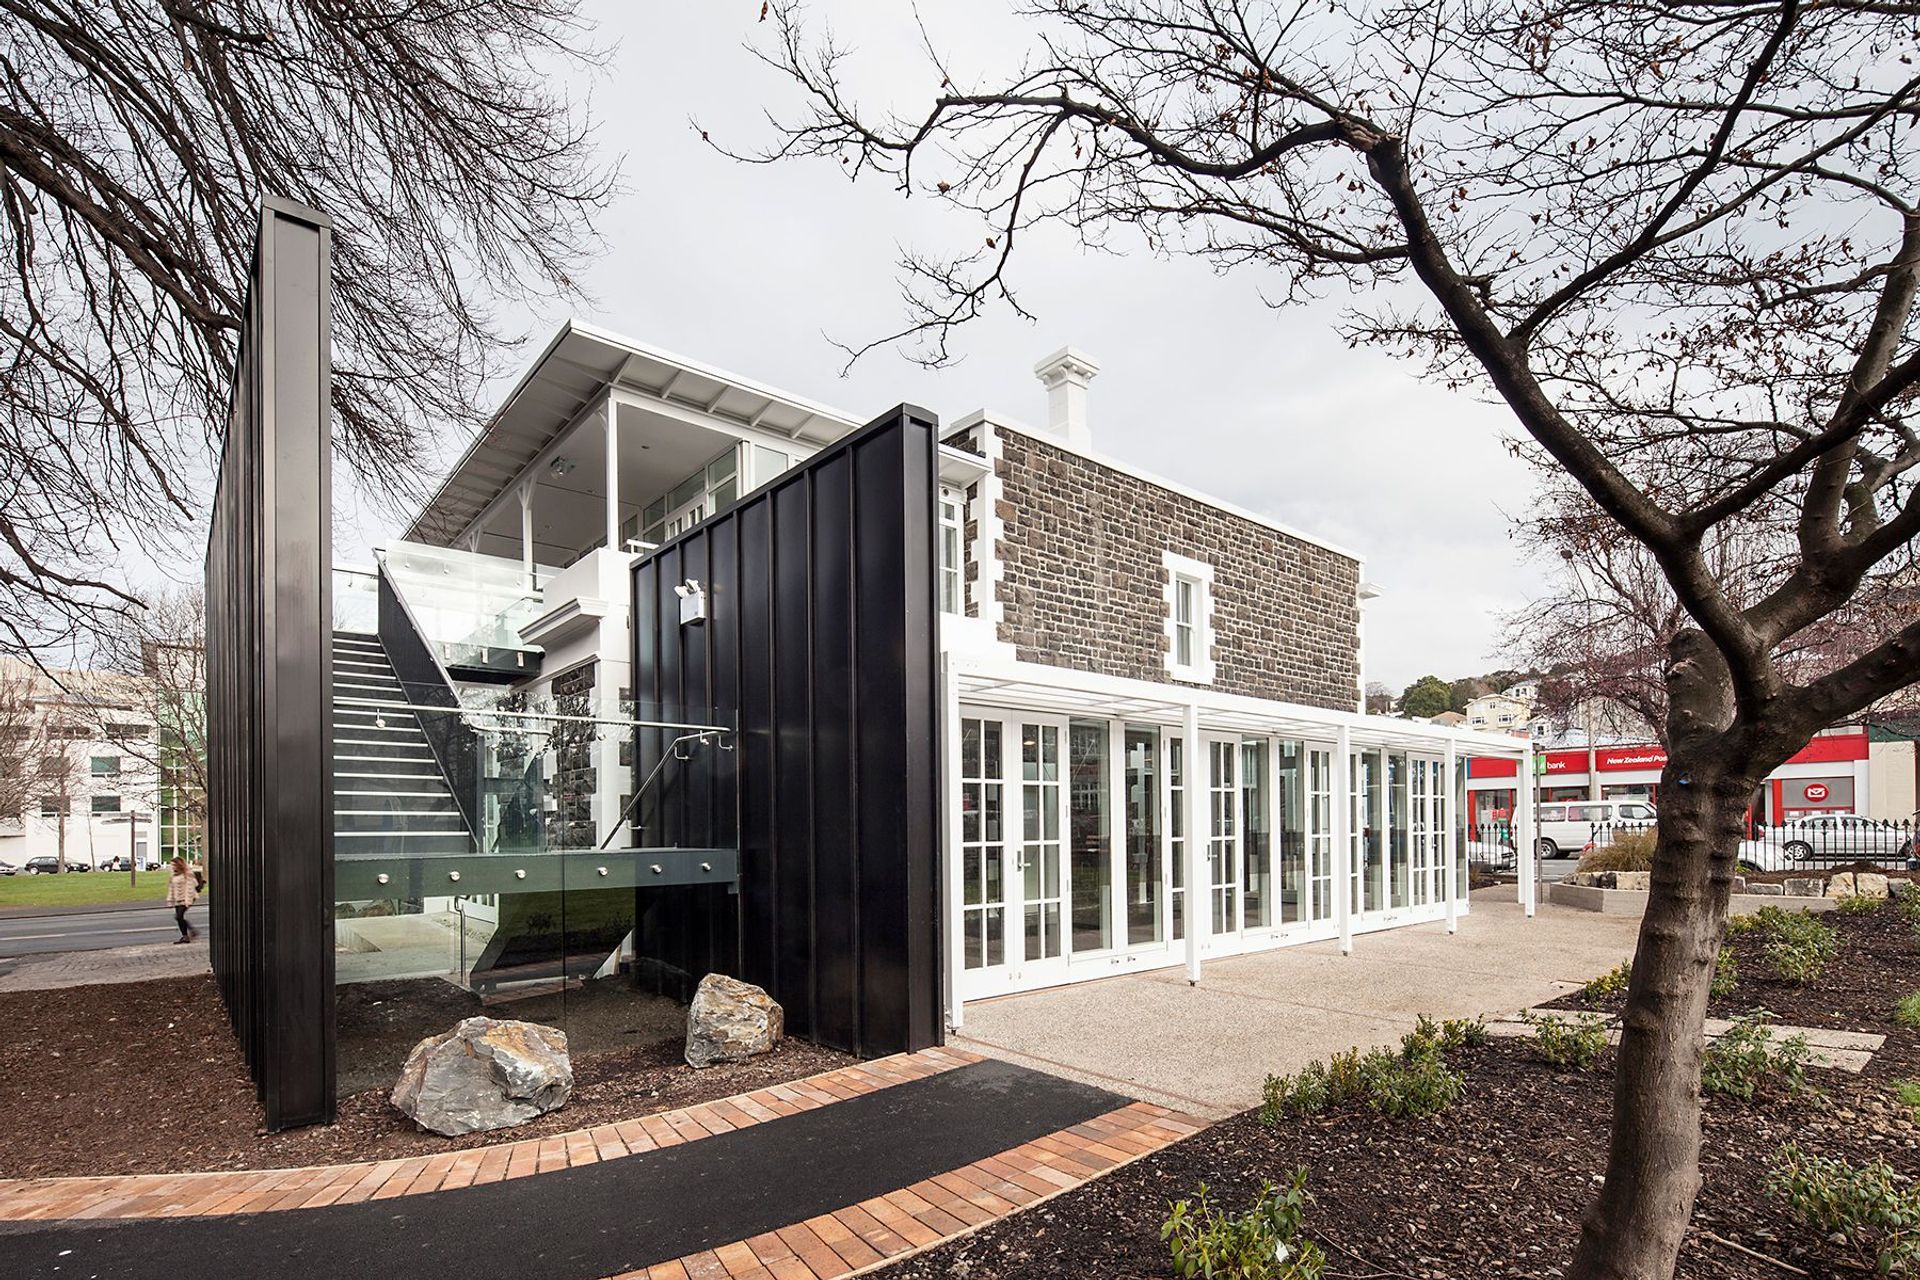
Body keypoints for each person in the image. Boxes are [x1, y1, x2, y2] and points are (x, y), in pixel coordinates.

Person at [166, 856, 200, 943]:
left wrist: (188, 901)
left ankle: (191, 932)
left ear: (179, 865)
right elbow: (171, 888)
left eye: (173, 865)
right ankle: (185, 936)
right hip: (178, 899)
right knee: (178, 917)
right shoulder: (173, 875)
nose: (172, 867)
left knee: (179, 916)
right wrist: (169, 900)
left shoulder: (187, 874)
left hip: (187, 898)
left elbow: (190, 889)